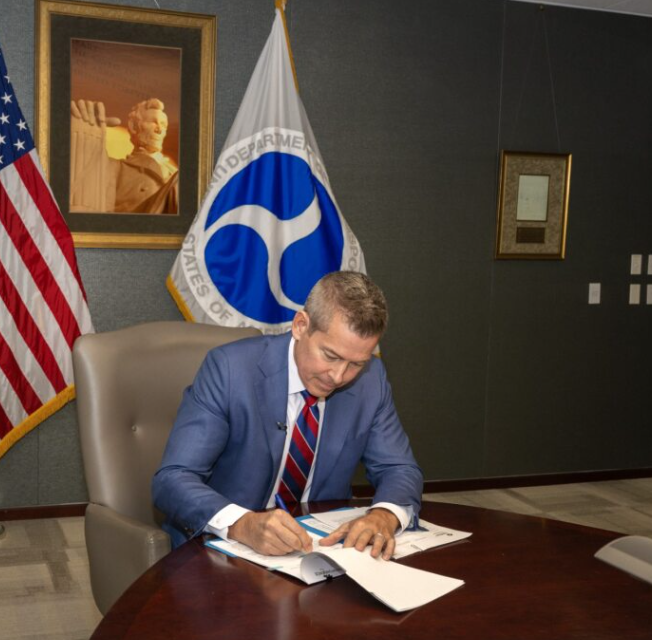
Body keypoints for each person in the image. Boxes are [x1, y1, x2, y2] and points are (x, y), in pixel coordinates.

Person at [152, 271, 423, 560]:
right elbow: (173, 479)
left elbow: (399, 468)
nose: (339, 376)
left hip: (318, 550)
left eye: (356, 363)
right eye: (330, 356)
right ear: (300, 325)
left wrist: (384, 514)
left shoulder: (372, 380)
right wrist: (241, 524)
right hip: (221, 550)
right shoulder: (230, 369)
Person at [69, 98, 179, 214]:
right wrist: (86, 132)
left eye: (164, 125)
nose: (160, 130)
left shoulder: (172, 170)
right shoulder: (116, 167)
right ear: (133, 126)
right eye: (153, 122)